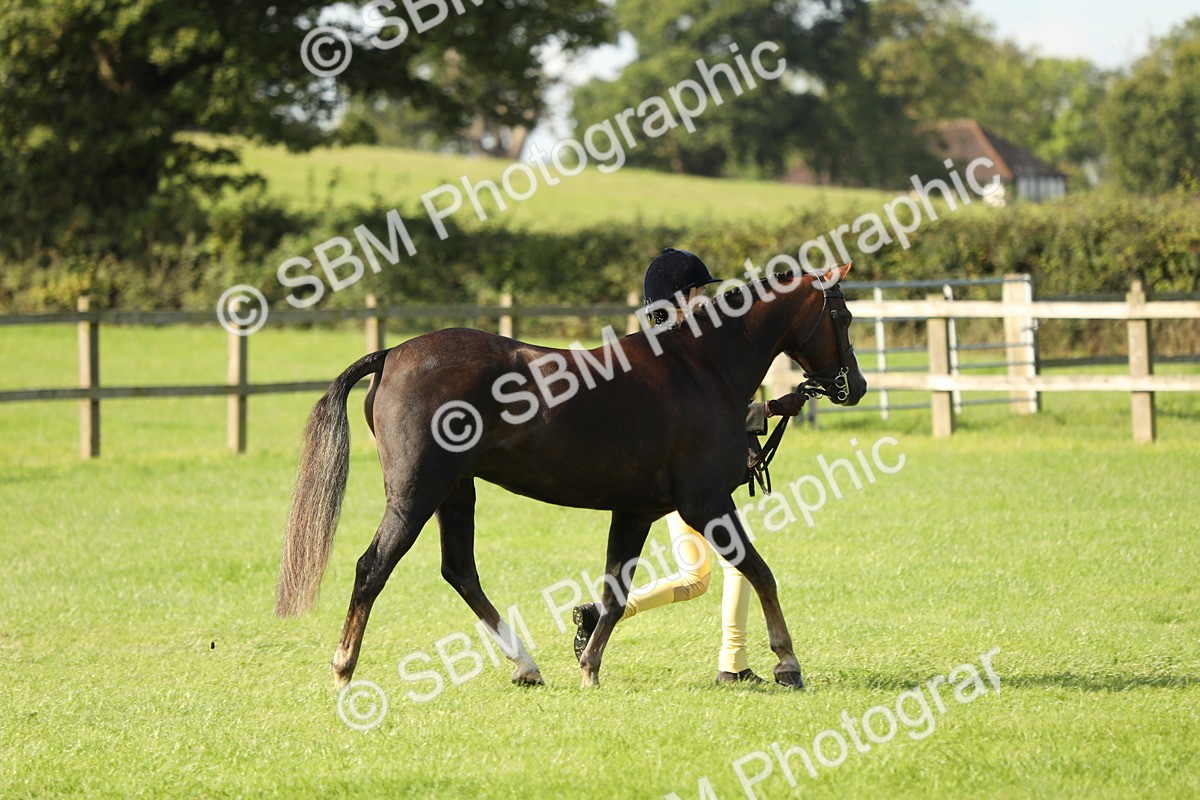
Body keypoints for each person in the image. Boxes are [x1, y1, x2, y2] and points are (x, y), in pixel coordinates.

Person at [572, 247, 805, 684]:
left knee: (696, 577)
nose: (707, 300)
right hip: (682, 477)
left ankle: (601, 615)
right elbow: (708, 416)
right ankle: (732, 665)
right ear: (684, 295)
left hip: (674, 471)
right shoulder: (681, 351)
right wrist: (771, 408)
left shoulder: (669, 345)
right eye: (701, 291)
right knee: (733, 566)